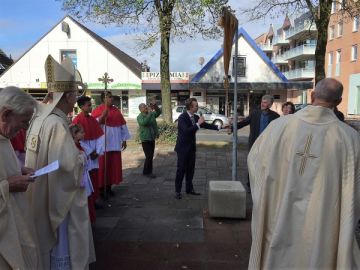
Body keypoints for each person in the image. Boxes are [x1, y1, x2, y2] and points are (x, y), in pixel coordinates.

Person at [247, 78, 360, 269]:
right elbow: (354, 190)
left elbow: (255, 163)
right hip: (323, 225)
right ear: (339, 102)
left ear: (312, 95)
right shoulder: (349, 139)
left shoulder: (278, 127)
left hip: (279, 216)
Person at [25, 55, 95, 269]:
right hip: (59, 200)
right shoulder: (57, 123)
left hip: (41, 194)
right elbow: (68, 168)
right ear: (67, 96)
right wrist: (82, 158)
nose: (76, 98)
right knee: (62, 247)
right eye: (74, 93)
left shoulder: (39, 119)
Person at [0, 86, 41, 269]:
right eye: (24, 122)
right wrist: (8, 185)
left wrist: (18, 170)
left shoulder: (4, 137)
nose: (24, 129)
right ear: (6, 114)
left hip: (16, 223)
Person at [231, 95, 279, 192]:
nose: (262, 103)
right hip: (254, 143)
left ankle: (263, 185)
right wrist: (232, 127)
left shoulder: (275, 116)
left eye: (265, 102)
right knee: (252, 164)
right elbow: (244, 122)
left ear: (270, 104)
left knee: (266, 165)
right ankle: (250, 185)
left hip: (268, 145)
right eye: (262, 101)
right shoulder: (254, 113)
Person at [174, 97, 220, 199]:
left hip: (191, 148)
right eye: (196, 106)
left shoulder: (195, 116)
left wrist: (218, 127)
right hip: (182, 149)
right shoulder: (182, 118)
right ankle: (177, 191)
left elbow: (205, 125)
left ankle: (189, 189)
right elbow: (186, 131)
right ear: (190, 107)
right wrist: (198, 124)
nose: (197, 107)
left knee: (191, 170)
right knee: (181, 170)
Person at [92, 91, 131, 198]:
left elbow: (123, 126)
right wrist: (101, 117)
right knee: (103, 167)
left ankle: (109, 187)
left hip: (115, 144)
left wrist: (124, 139)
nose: (111, 99)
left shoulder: (116, 111)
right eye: (109, 97)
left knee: (112, 167)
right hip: (103, 145)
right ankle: (100, 189)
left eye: (111, 97)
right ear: (103, 99)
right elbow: (94, 126)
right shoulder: (98, 110)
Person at [72, 96, 105, 216]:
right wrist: (91, 152)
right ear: (81, 107)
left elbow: (100, 136)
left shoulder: (92, 120)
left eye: (90, 104)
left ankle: (95, 199)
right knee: (87, 179)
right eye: (88, 105)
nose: (90, 107)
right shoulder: (76, 121)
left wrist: (98, 150)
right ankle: (88, 202)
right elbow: (77, 140)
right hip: (85, 155)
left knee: (95, 178)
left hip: (94, 154)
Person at [69, 124, 96, 222]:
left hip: (84, 174)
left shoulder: (80, 144)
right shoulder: (72, 146)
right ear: (74, 134)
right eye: (81, 132)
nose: (84, 134)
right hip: (81, 176)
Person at [137, 102, 161, 178]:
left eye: (146, 106)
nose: (146, 107)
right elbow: (144, 123)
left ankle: (146, 171)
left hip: (152, 138)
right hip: (145, 139)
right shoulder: (140, 116)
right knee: (149, 156)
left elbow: (158, 112)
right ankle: (148, 172)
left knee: (150, 155)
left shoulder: (151, 114)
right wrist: (150, 114)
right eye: (144, 107)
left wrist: (155, 106)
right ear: (140, 109)